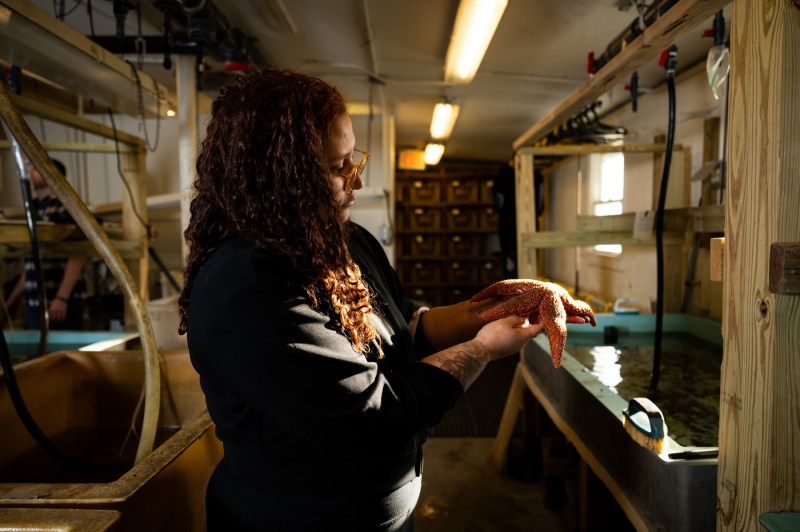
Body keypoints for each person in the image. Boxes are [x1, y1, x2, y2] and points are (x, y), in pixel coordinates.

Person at [177, 68, 546, 531]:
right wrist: (485, 347)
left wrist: (490, 310)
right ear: (278, 178)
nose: (356, 180)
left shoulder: (344, 241)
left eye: (353, 159)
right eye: (336, 167)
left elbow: (401, 327)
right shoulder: (249, 289)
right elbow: (376, 416)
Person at [5, 158, 86, 330]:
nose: (31, 173)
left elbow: (78, 254)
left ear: (50, 175)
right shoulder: (33, 210)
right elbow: (32, 265)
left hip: (59, 303)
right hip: (35, 302)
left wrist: (62, 298)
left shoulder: (66, 207)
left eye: (36, 169)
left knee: (65, 354)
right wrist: (11, 300)